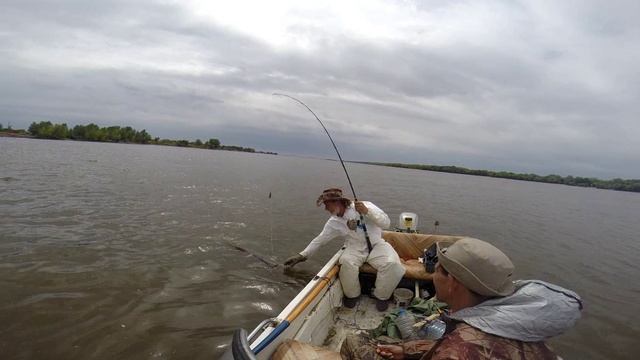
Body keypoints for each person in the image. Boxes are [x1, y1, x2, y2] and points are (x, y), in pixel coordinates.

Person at [341, 237, 583, 359]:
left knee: (353, 341)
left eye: (437, 270)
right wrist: (409, 351)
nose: (432, 275)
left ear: (453, 283)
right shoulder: (519, 324)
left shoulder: (457, 349)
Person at [284, 188, 405, 311]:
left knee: (393, 264)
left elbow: (386, 223)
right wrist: (302, 256)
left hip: (377, 245)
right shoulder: (334, 222)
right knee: (346, 262)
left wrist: (367, 212)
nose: (326, 209)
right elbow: (320, 240)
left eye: (327, 205)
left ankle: (382, 297)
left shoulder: (365, 206)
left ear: (337, 202)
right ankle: (353, 295)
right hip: (354, 247)